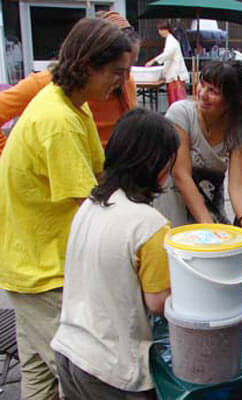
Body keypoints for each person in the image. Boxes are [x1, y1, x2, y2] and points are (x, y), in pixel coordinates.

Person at [0, 18, 132, 399]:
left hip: (33, 263)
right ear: (88, 66)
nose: (121, 83)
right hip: (43, 274)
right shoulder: (59, 121)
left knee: (39, 380)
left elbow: (100, 174)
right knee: (80, 378)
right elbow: (93, 210)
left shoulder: (75, 104)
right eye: (116, 73)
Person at [51, 108, 178, 399]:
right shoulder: (151, 225)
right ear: (155, 163)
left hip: (69, 351)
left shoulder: (92, 204)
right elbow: (159, 303)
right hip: (111, 369)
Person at [0, 10, 139, 150]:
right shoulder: (47, 84)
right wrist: (8, 155)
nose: (126, 77)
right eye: (118, 71)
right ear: (90, 64)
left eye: (130, 67)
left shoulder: (126, 84)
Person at [153, 60, 242, 231]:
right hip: (174, 202)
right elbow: (181, 175)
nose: (203, 94)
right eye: (202, 84)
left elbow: (237, 183)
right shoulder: (181, 114)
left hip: (210, 204)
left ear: (229, 102)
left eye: (213, 91)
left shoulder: (235, 129)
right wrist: (209, 226)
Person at [145, 20, 189, 105]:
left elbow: (167, 54)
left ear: (166, 30)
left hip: (176, 76)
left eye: (160, 30)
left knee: (177, 101)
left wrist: (153, 60)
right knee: (174, 101)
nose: (159, 32)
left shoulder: (171, 40)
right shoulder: (169, 40)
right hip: (173, 75)